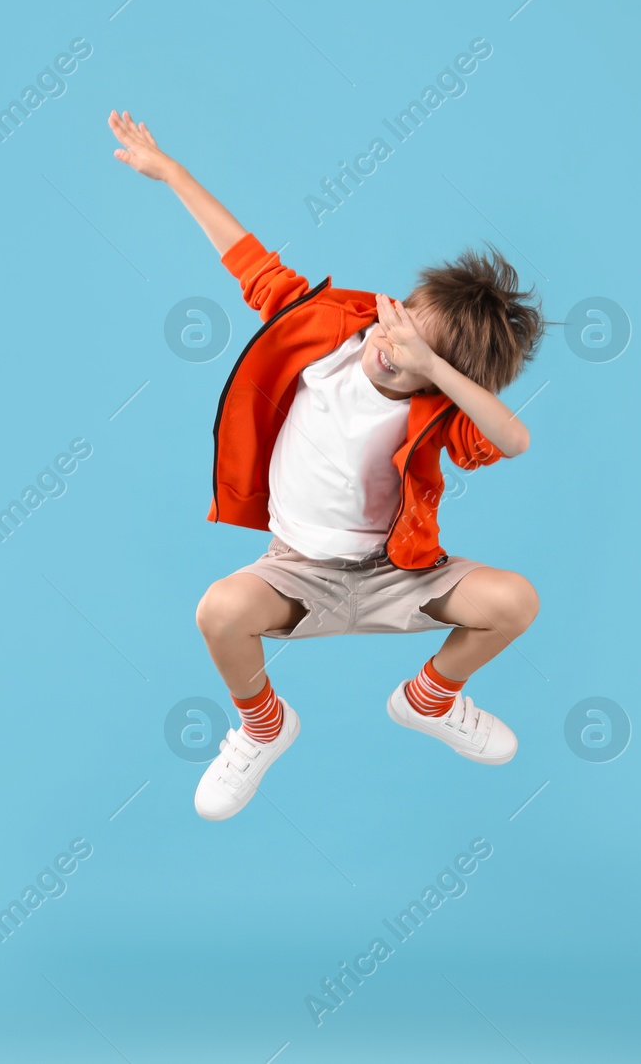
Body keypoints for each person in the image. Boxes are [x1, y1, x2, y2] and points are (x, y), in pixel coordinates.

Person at [109, 111, 543, 821]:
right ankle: (264, 727)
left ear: (436, 372)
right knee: (218, 610)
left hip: (397, 574)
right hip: (297, 571)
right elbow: (250, 262)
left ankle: (429, 699)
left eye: (412, 349)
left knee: (514, 600)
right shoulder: (328, 328)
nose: (388, 341)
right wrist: (172, 172)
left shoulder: (440, 409)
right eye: (398, 317)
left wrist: (434, 367)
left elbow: (514, 439)